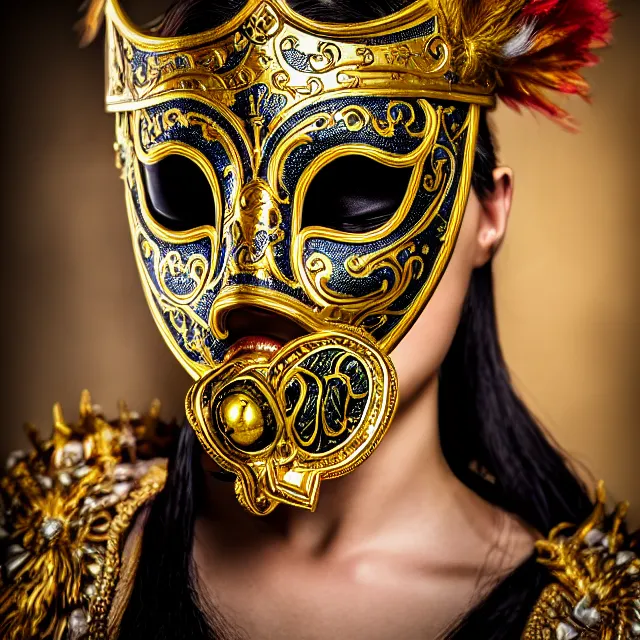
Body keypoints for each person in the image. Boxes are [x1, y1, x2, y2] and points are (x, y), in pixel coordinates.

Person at [1, 0, 637, 638]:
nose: (247, 279)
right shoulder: (50, 539)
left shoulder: (602, 621)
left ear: (489, 215)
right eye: (185, 192)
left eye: (352, 190)